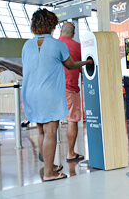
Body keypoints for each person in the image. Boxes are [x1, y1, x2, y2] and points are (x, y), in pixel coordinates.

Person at [22, 8, 92, 181]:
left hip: (30, 93)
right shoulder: (57, 45)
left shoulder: (27, 45)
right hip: (48, 93)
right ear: (52, 24)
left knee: (41, 131)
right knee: (51, 131)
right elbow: (70, 65)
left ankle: (49, 166)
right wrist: (87, 62)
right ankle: (49, 174)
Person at [58, 22, 84, 162]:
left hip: (54, 88)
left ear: (61, 32)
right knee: (72, 120)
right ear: (73, 33)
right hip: (70, 88)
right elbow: (80, 68)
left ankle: (48, 157)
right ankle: (70, 153)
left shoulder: (54, 44)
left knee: (51, 122)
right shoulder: (77, 46)